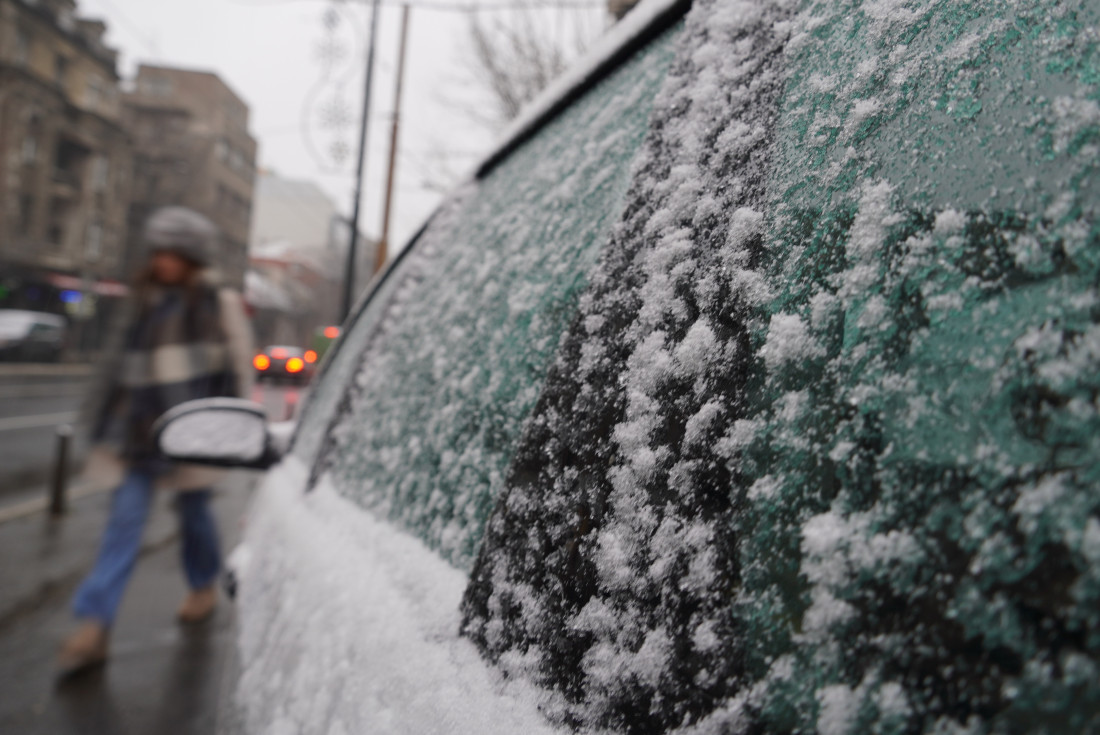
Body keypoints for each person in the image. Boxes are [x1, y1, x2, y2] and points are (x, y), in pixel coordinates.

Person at [57, 206, 255, 678]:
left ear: (192, 257)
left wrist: (226, 429)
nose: (164, 261)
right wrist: (96, 413)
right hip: (136, 431)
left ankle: (202, 583)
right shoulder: (141, 296)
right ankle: (94, 627)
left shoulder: (216, 302)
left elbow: (240, 367)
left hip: (189, 432)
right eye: (159, 251)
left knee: (194, 517)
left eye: (174, 253)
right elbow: (116, 359)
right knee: (122, 525)